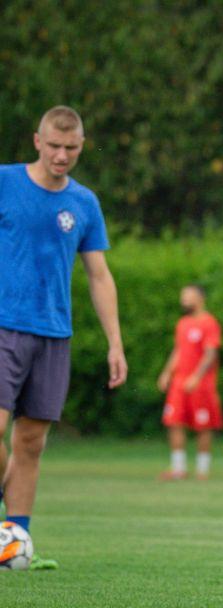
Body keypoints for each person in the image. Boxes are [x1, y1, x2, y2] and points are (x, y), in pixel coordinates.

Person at [0, 106, 128, 569]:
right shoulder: (5, 182)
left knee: (31, 441)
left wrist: (115, 342)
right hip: (3, 326)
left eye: (70, 148)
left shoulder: (84, 203)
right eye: (54, 146)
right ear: (37, 140)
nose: (61, 155)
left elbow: (99, 276)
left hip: (54, 333)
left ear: (81, 147)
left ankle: (17, 539)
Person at [157, 284, 223, 480]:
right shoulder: (183, 323)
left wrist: (196, 377)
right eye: (182, 296)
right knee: (174, 422)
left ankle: (203, 470)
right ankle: (179, 469)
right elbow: (178, 350)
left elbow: (210, 354)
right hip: (179, 384)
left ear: (200, 298)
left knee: (203, 426)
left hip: (201, 385)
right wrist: (166, 373)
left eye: (188, 296)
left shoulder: (209, 323)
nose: (183, 300)